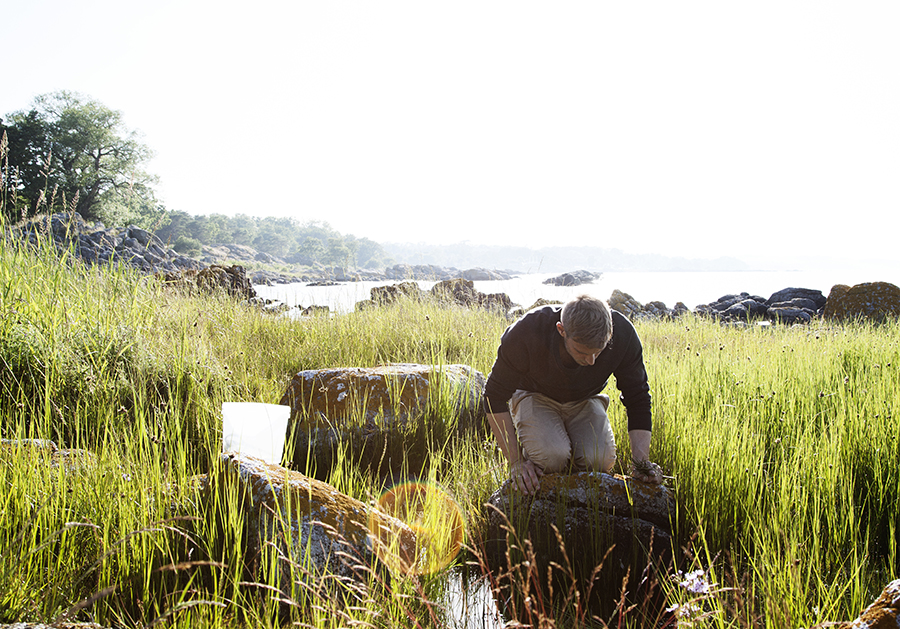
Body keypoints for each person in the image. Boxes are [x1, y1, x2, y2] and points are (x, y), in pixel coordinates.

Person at [483, 294, 663, 494]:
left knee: (599, 461)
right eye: (582, 352)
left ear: (610, 333)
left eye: (599, 351)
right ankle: (542, 454)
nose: (592, 361)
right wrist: (516, 462)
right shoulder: (527, 331)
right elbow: (493, 396)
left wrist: (642, 462)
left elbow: (637, 397)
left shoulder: (623, 333)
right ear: (561, 330)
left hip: (586, 398)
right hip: (534, 395)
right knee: (551, 457)